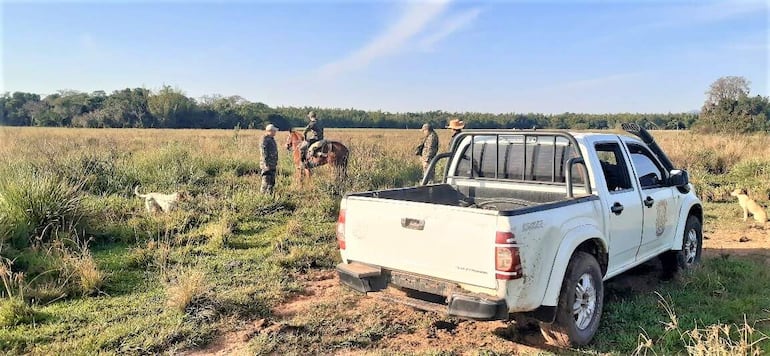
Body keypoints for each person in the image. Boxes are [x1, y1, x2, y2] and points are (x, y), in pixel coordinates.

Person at [260, 124, 279, 195]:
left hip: (272, 165)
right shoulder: (264, 139)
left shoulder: (271, 139)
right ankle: (262, 197)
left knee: (272, 183)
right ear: (269, 131)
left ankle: (269, 196)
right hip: (267, 166)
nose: (275, 132)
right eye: (274, 131)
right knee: (265, 182)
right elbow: (263, 152)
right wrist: (266, 164)